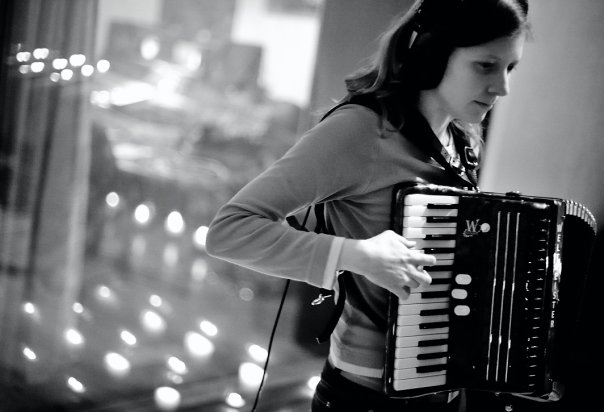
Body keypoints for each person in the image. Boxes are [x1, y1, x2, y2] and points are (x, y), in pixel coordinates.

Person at [206, 0, 530, 410]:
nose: (502, 87)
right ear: (432, 55)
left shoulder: (461, 141)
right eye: (485, 66)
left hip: (447, 393)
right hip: (366, 397)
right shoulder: (362, 131)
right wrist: (356, 255)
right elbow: (229, 230)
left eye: (510, 68)